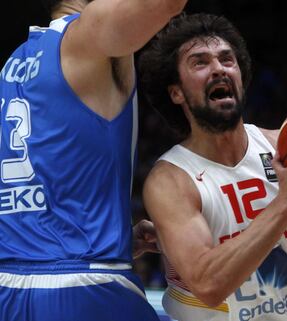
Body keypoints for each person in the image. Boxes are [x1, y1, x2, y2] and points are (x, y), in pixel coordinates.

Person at [138, 12, 287, 321]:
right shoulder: (170, 180)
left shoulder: (281, 147)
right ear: (176, 92)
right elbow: (209, 284)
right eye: (200, 62)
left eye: (227, 60)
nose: (218, 68)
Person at [0, 0, 187, 320]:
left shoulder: (12, 64)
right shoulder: (86, 35)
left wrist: (112, 233)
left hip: (9, 288)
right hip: (85, 287)